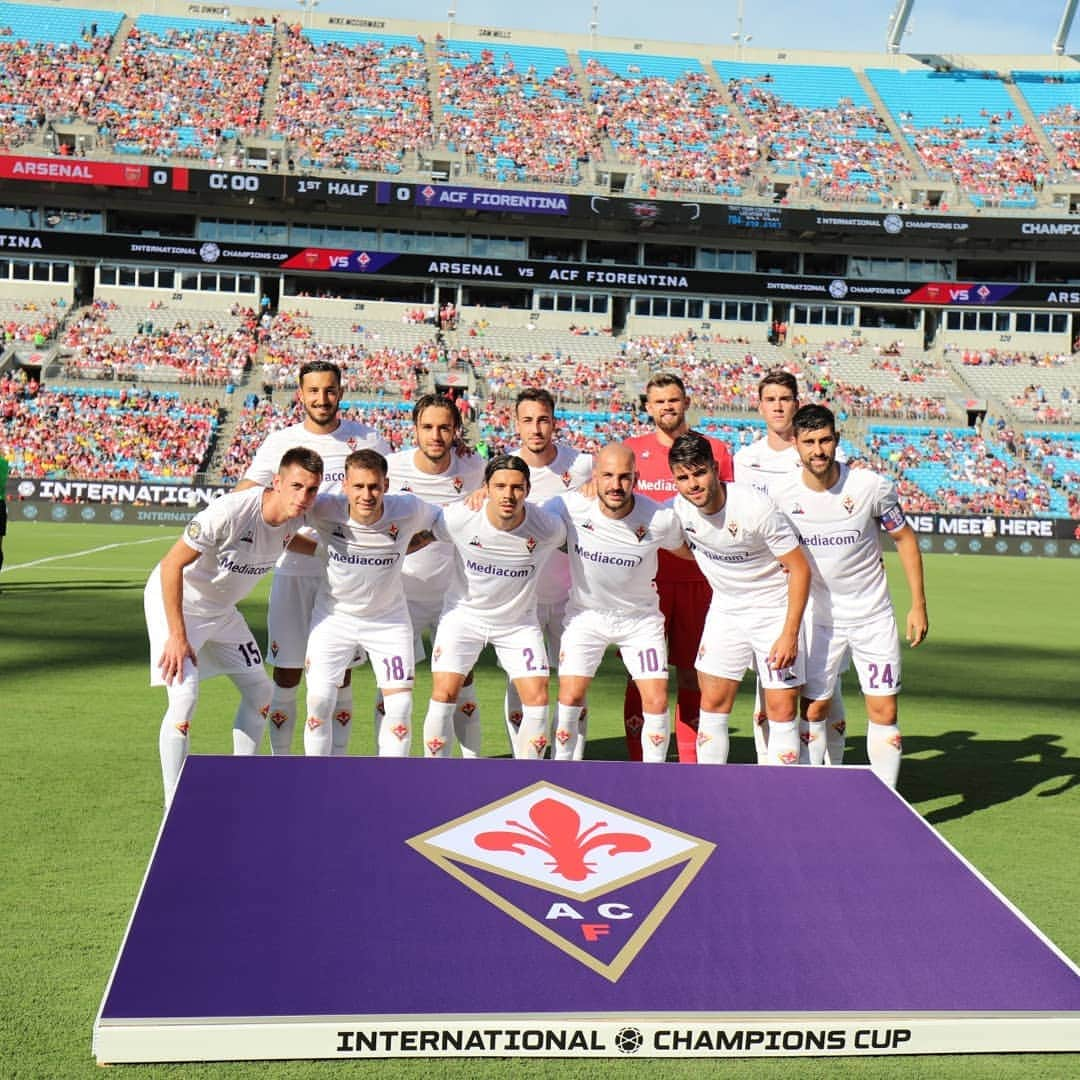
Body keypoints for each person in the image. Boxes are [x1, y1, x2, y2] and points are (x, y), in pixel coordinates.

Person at [145, 448, 323, 808]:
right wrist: (177, 636)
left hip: (223, 612)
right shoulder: (230, 512)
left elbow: (296, 541)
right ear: (276, 482)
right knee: (185, 698)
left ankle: (243, 781)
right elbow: (170, 566)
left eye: (312, 490)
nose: (304, 497)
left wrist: (333, 552)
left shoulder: (295, 517)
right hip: (180, 607)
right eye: (296, 486)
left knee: (261, 692)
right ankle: (173, 804)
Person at [770, 405, 928, 788]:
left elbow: (904, 538)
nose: (818, 449)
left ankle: (887, 803)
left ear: (836, 441)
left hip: (872, 615)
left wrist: (918, 604)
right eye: (809, 442)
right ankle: (811, 792)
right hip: (817, 619)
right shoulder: (780, 493)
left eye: (824, 440)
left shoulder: (870, 487)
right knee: (815, 708)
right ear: (795, 444)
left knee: (884, 708)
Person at [236, 360, 388, 757]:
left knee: (340, 677)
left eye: (330, 390)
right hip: (294, 571)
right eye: (314, 391)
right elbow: (246, 494)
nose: (322, 399)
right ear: (300, 395)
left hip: (347, 579)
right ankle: (282, 763)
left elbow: (395, 486)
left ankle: (334, 765)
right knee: (287, 671)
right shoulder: (279, 441)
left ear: (341, 391)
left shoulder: (367, 438)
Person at [668, 432, 810, 766]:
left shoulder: (755, 508)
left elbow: (800, 570)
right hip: (726, 610)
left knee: (782, 709)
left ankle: (782, 801)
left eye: (699, 472)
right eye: (683, 477)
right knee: (713, 704)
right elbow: (682, 546)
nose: (693, 485)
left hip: (773, 611)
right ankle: (708, 795)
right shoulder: (679, 509)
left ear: (716, 469)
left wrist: (789, 633)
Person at [291, 450, 440, 757]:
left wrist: (410, 546)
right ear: (345, 486)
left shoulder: (408, 508)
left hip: (388, 621)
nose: (367, 494)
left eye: (374, 486)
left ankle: (390, 787)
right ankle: (317, 781)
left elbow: (444, 522)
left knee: (400, 707)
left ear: (386, 484)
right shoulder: (323, 508)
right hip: (333, 619)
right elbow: (280, 521)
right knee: (318, 703)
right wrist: (320, 551)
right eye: (358, 486)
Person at [734, 369, 849, 765]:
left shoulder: (823, 452)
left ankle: (827, 774)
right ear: (760, 405)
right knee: (770, 688)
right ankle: (773, 772)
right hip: (769, 584)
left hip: (821, 584)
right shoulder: (746, 459)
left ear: (796, 403)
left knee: (824, 689)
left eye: (786, 398)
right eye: (771, 399)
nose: (779, 406)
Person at [545, 444, 686, 762]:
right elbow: (521, 518)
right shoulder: (568, 507)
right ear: (594, 477)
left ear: (636, 478)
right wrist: (485, 492)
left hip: (640, 619)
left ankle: (654, 779)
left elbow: (689, 550)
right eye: (607, 476)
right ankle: (561, 770)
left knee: (656, 699)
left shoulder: (659, 518)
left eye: (624, 477)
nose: (616, 485)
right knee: (570, 696)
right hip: (586, 616)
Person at [420, 455, 566, 760]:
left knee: (538, 698)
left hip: (518, 624)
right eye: (500, 486)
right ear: (486, 487)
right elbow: (421, 536)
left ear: (528, 489)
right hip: (464, 617)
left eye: (516, 487)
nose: (508, 495)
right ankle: (434, 776)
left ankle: (529, 775)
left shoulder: (548, 528)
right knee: (445, 693)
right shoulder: (460, 517)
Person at [624, 373, 734, 763]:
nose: (667, 407)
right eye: (659, 401)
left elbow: (725, 513)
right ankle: (640, 760)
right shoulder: (631, 452)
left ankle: (691, 763)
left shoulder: (716, 450)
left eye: (674, 400)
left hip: (699, 582)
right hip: (645, 583)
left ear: (686, 402)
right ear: (648, 407)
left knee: (694, 674)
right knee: (642, 675)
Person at [387, 394, 486, 755]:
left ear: (457, 431)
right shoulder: (390, 468)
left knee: (463, 683)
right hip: (399, 598)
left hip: (454, 599)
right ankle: (394, 769)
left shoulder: (474, 466)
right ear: (414, 430)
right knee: (395, 687)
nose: (436, 435)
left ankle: (469, 769)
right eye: (428, 427)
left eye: (445, 427)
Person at [504, 388, 592, 755]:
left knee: (575, 687)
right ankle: (525, 759)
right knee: (521, 683)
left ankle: (569, 762)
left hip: (573, 598)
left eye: (543, 419)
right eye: (528, 421)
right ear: (515, 425)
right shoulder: (504, 467)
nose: (536, 428)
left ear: (555, 422)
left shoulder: (584, 465)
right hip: (522, 599)